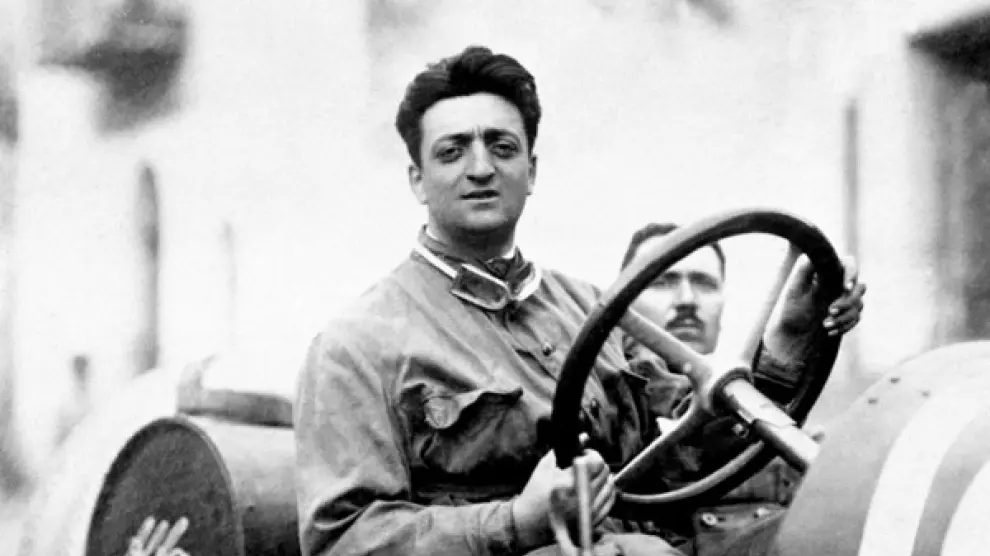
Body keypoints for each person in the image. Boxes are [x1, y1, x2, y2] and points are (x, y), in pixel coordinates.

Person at [294, 45, 866, 556]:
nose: (481, 168)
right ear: (418, 180)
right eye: (452, 151)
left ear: (530, 171)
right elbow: (344, 539)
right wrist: (516, 522)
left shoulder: (597, 311)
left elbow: (695, 456)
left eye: (502, 147)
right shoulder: (357, 347)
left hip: (651, 547)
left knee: (854, 532)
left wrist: (788, 340)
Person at [618, 223, 863, 555]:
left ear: (723, 306)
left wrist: (795, 332)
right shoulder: (603, 405)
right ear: (624, 303)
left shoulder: (774, 419)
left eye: (704, 283)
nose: (687, 300)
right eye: (662, 282)